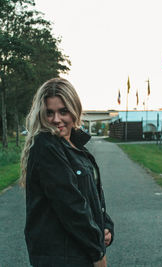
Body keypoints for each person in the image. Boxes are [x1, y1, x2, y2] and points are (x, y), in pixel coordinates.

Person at [20, 78, 114, 267]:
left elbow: (92, 196)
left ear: (74, 110)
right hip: (60, 257)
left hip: (78, 252)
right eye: (49, 113)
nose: (56, 119)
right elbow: (71, 205)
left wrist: (106, 226)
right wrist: (97, 254)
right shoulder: (47, 146)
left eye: (63, 111)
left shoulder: (77, 147)